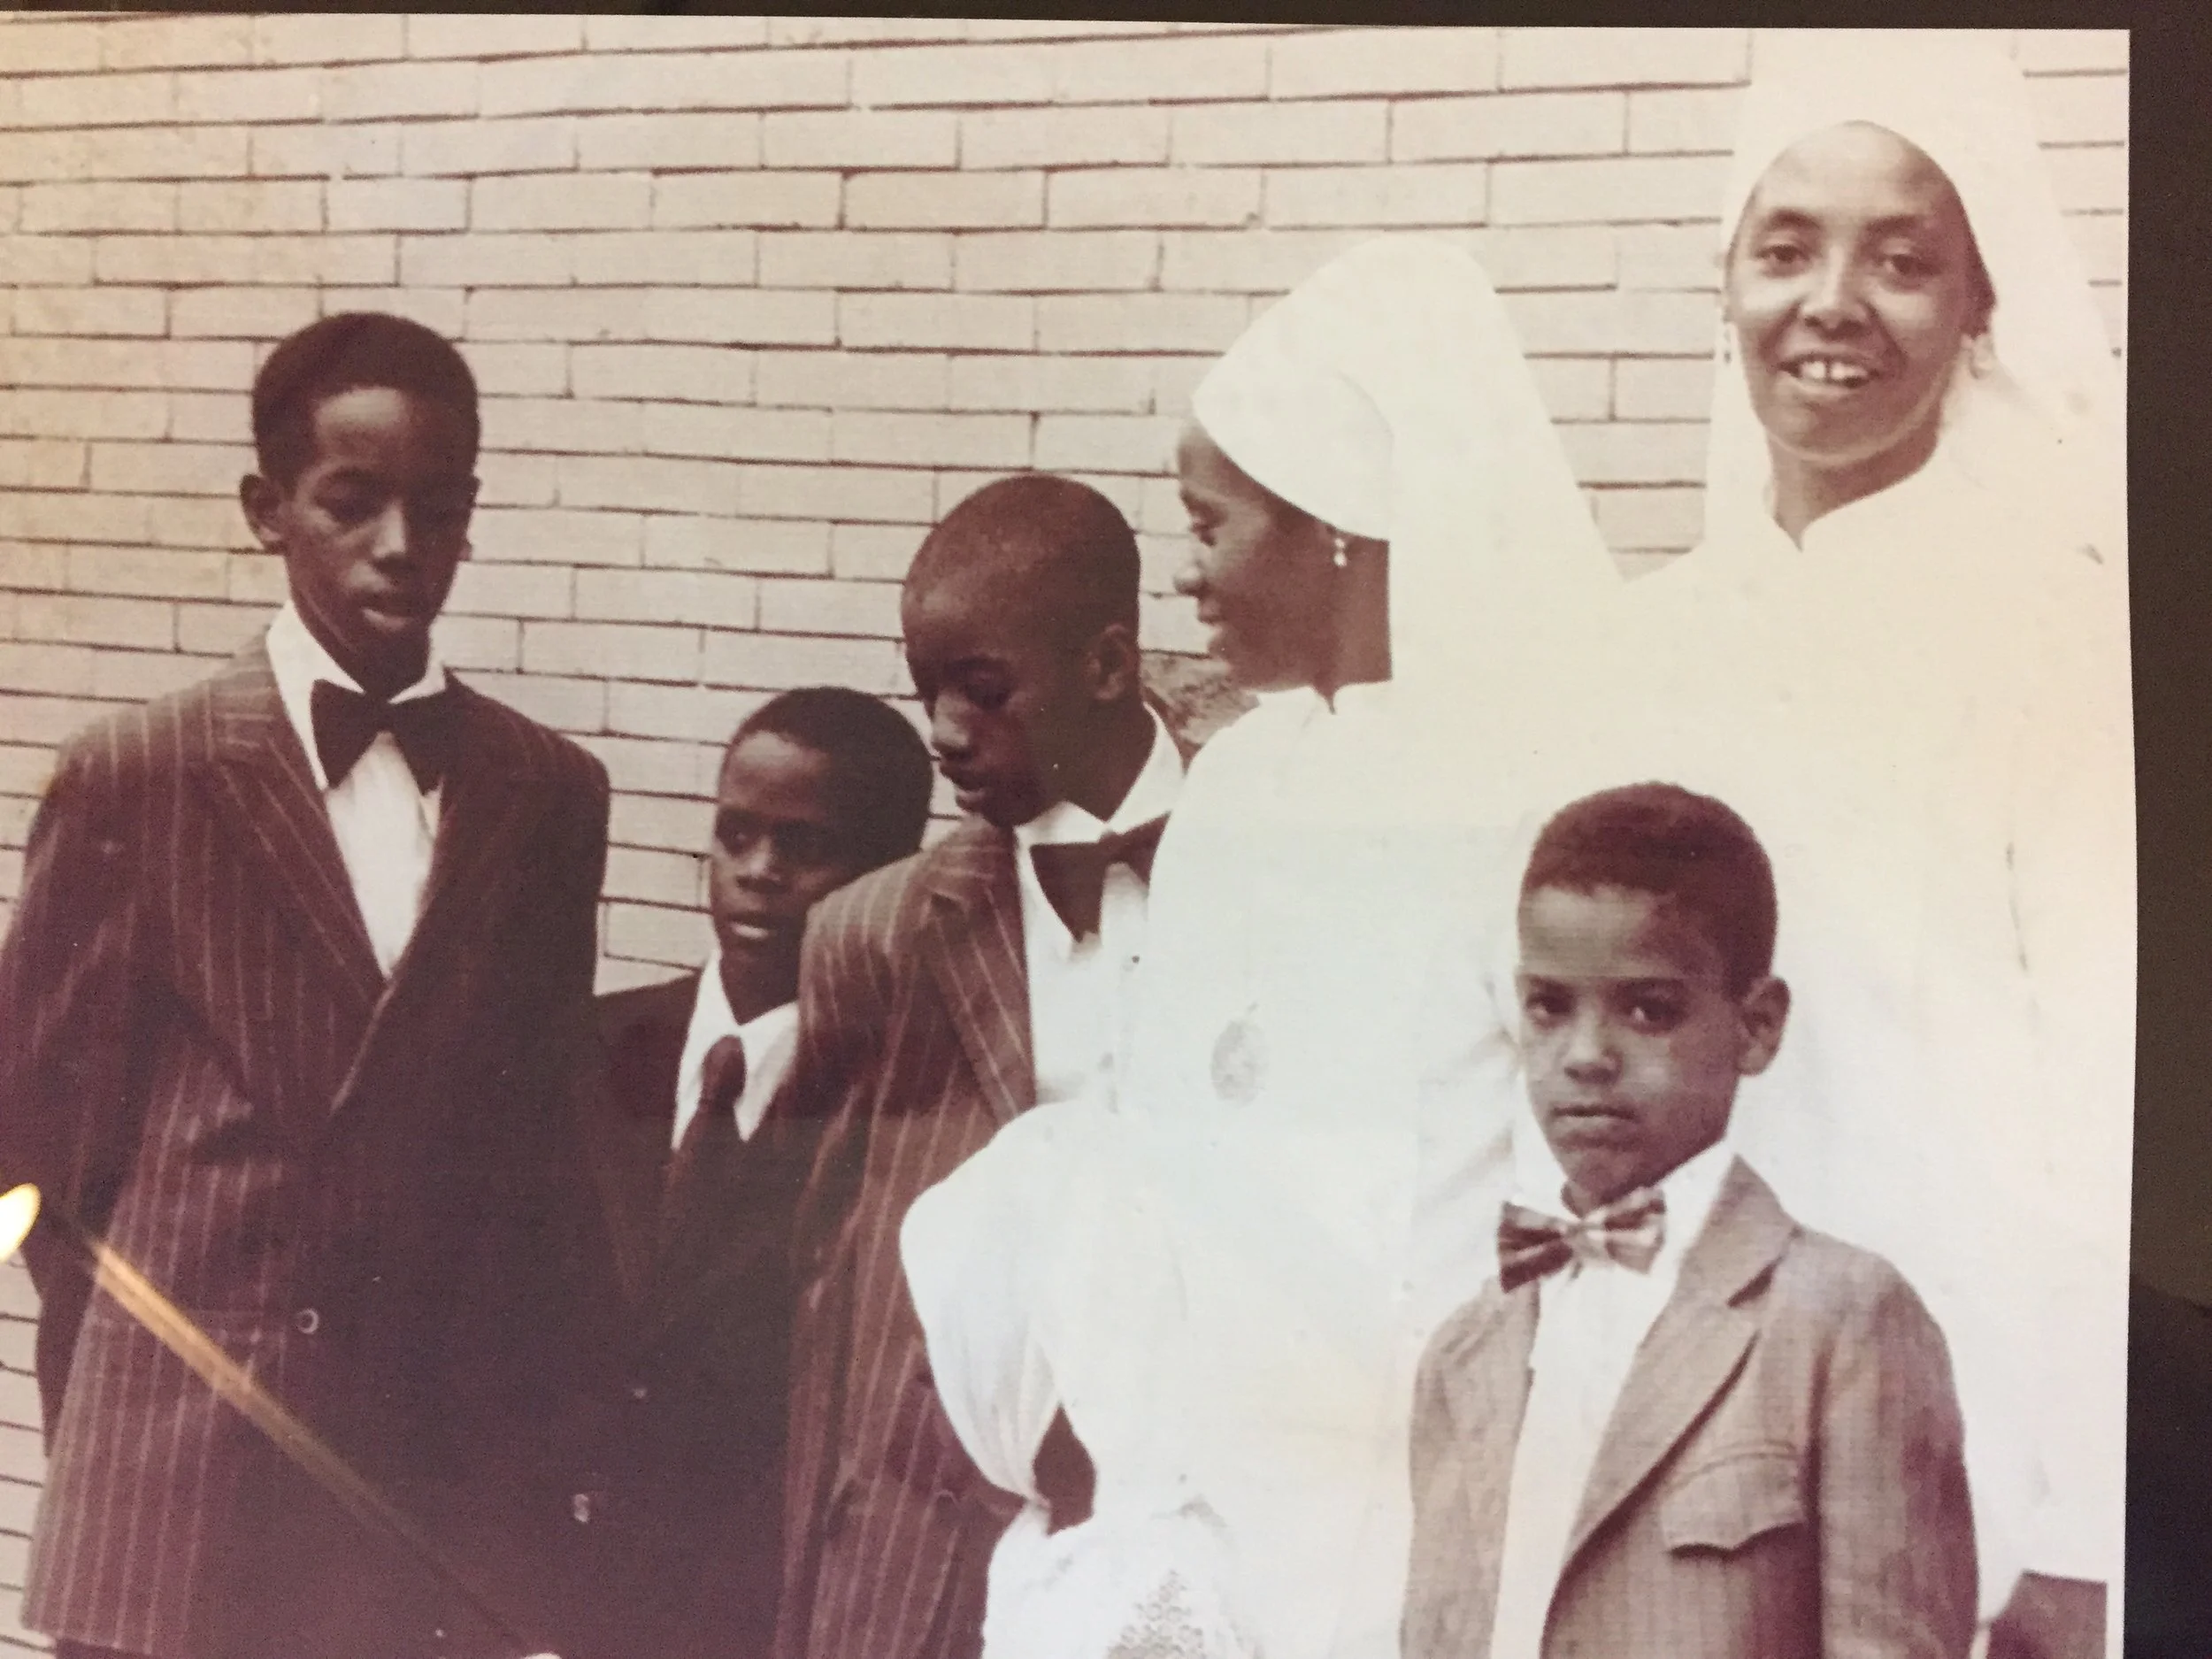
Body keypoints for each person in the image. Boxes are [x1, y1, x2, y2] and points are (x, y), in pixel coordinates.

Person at [936, 234, 1612, 1659]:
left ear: (1341, 533)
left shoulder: (1529, 802)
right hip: (1206, 1463)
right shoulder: (1240, 779)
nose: (1185, 579)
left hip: (1420, 1453)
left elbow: (1570, 1178)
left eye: (1210, 526)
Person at [1610, 33, 2132, 1658]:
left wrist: (2081, 1525)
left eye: (1904, 261)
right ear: (1727, 287)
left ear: (1983, 309)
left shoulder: (2071, 639)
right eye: (1786, 248)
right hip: (1680, 1408)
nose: (1832, 303)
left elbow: (2112, 1105)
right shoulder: (1651, 641)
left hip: (1967, 1432)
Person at [0, 313, 611, 1659]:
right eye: (354, 502)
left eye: (439, 509)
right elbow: (35, 1158)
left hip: (418, 1487)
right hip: (180, 1488)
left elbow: (538, 1159)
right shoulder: (142, 775)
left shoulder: (548, 791)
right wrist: (131, 1402)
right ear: (268, 510)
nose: (402, 545)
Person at [1403, 783, 1976, 1659]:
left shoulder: (1842, 1321)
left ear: (1756, 1027)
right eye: (1549, 1006)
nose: (1585, 1056)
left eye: (1648, 1010)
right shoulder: (1463, 1349)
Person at [773, 474, 1186, 1659]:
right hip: (925, 1542)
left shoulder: (1266, 855)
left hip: (1189, 1536)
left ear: (1109, 665)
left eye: (983, 688)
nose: (944, 729)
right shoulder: (875, 935)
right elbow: (828, 1290)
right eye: (926, 689)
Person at [556, 688, 933, 1659]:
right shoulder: (587, 1051)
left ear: (889, 874)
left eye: (806, 847)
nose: (758, 874)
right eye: (736, 835)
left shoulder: (891, 1120)